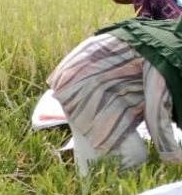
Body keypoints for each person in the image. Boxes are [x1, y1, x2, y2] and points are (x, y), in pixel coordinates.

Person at [48, 16, 182, 175]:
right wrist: (175, 161)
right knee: (132, 156)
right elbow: (156, 112)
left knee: (90, 157)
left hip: (77, 74)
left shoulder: (168, 33)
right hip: (87, 82)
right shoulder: (169, 52)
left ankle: (88, 194)